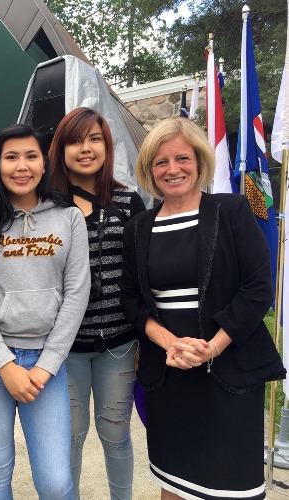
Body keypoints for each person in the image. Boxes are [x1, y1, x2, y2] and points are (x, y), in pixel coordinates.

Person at [119, 117, 285, 499]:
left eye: (182, 158)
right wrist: (170, 344)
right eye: (161, 162)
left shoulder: (233, 211)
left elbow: (258, 289)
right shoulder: (139, 228)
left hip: (227, 367)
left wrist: (211, 346)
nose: (172, 169)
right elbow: (131, 299)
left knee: (232, 485)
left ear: (200, 160)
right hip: (169, 373)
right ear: (149, 170)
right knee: (174, 481)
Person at [0, 123, 90, 499]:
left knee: (54, 479)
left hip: (46, 361)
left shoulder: (69, 217)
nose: (21, 166)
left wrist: (46, 365)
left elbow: (77, 293)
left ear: (44, 164)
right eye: (10, 157)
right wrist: (4, 363)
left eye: (31, 156)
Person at [47, 107, 146, 499]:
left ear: (107, 146)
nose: (85, 148)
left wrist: (144, 338)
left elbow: (143, 275)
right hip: (64, 349)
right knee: (69, 437)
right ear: (61, 148)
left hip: (119, 344)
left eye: (95, 139)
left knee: (116, 433)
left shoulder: (128, 201)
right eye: (75, 140)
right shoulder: (46, 205)